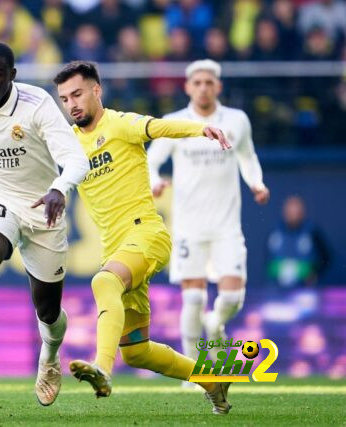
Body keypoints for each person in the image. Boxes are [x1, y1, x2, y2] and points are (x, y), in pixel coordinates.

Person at [53, 61, 233, 414]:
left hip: (147, 234)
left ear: (96, 90)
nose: (71, 104)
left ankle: (102, 368)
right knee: (137, 351)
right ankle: (212, 381)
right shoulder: (69, 146)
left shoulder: (119, 124)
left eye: (77, 93)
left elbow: (159, 126)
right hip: (117, 248)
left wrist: (201, 130)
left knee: (104, 282)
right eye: (64, 98)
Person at [0, 42, 89, 406]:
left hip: (44, 208)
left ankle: (50, 357)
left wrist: (58, 188)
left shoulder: (37, 104)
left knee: (48, 311)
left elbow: (76, 160)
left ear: (12, 74)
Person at [147, 60, 269, 389]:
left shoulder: (236, 120)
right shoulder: (174, 123)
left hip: (227, 225)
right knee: (192, 298)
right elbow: (152, 159)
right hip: (189, 226)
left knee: (232, 298)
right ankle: (194, 374)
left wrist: (256, 183)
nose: (203, 87)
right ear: (188, 87)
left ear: (218, 86)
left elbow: (247, 156)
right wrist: (155, 180)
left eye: (208, 82)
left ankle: (215, 326)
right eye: (197, 82)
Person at [266, 195, 331, 289]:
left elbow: (326, 258)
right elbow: (268, 261)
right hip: (278, 290)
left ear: (302, 212)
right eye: (289, 211)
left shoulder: (312, 232)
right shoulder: (274, 232)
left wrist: (315, 273)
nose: (292, 214)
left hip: (306, 290)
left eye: (295, 210)